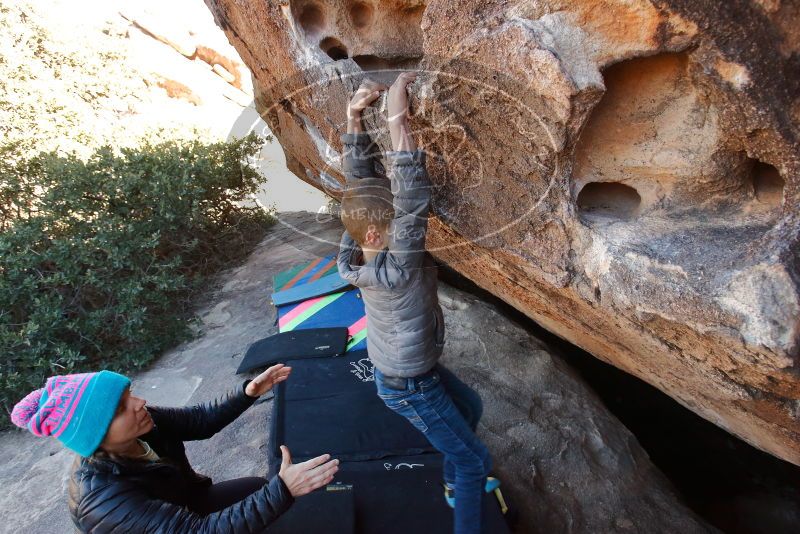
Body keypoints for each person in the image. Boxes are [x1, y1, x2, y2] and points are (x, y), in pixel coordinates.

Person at [336, 74, 494, 534]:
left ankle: (452, 482)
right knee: (475, 463)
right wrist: (396, 118)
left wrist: (354, 115)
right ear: (377, 233)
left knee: (469, 408)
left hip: (402, 366)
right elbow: (411, 196)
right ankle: (462, 500)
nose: (396, 216)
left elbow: (363, 183)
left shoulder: (360, 242)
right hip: (409, 382)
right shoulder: (397, 268)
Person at [10, 365, 339, 533]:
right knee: (271, 497)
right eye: (122, 408)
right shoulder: (103, 500)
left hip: (185, 507)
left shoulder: (145, 422)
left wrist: (248, 393)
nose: (140, 404)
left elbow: (200, 421)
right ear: (95, 436)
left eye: (130, 396)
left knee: (257, 490)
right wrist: (283, 490)